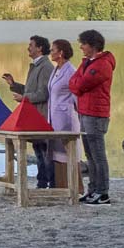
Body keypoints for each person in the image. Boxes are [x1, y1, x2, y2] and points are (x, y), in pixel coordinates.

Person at [69, 29, 116, 205]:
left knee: (98, 155)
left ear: (93, 45)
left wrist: (77, 84)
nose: (81, 47)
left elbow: (80, 84)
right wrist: (77, 84)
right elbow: (73, 82)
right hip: (84, 112)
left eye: (83, 44)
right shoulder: (87, 63)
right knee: (90, 154)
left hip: (96, 114)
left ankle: (103, 192)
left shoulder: (102, 64)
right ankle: (93, 189)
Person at [2, 35, 54, 188]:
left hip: (41, 115)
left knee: (43, 151)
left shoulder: (46, 67)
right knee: (38, 150)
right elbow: (30, 90)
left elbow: (43, 94)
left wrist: (23, 98)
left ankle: (49, 182)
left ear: (39, 48)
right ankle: (42, 182)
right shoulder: (36, 66)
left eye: (31, 45)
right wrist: (14, 84)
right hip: (33, 115)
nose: (28, 48)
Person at [47, 39, 82, 192]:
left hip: (66, 119)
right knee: (57, 155)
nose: (51, 52)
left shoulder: (71, 71)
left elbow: (77, 97)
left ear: (60, 53)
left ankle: (76, 188)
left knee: (69, 154)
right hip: (54, 119)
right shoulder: (56, 70)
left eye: (53, 50)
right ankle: (61, 187)